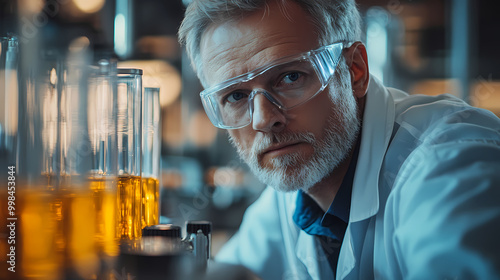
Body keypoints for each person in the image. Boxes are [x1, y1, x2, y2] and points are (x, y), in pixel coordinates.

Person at [178, 0, 500, 279]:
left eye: (290, 77)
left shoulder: (449, 168)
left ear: (354, 70)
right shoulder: (290, 196)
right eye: (235, 95)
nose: (264, 119)